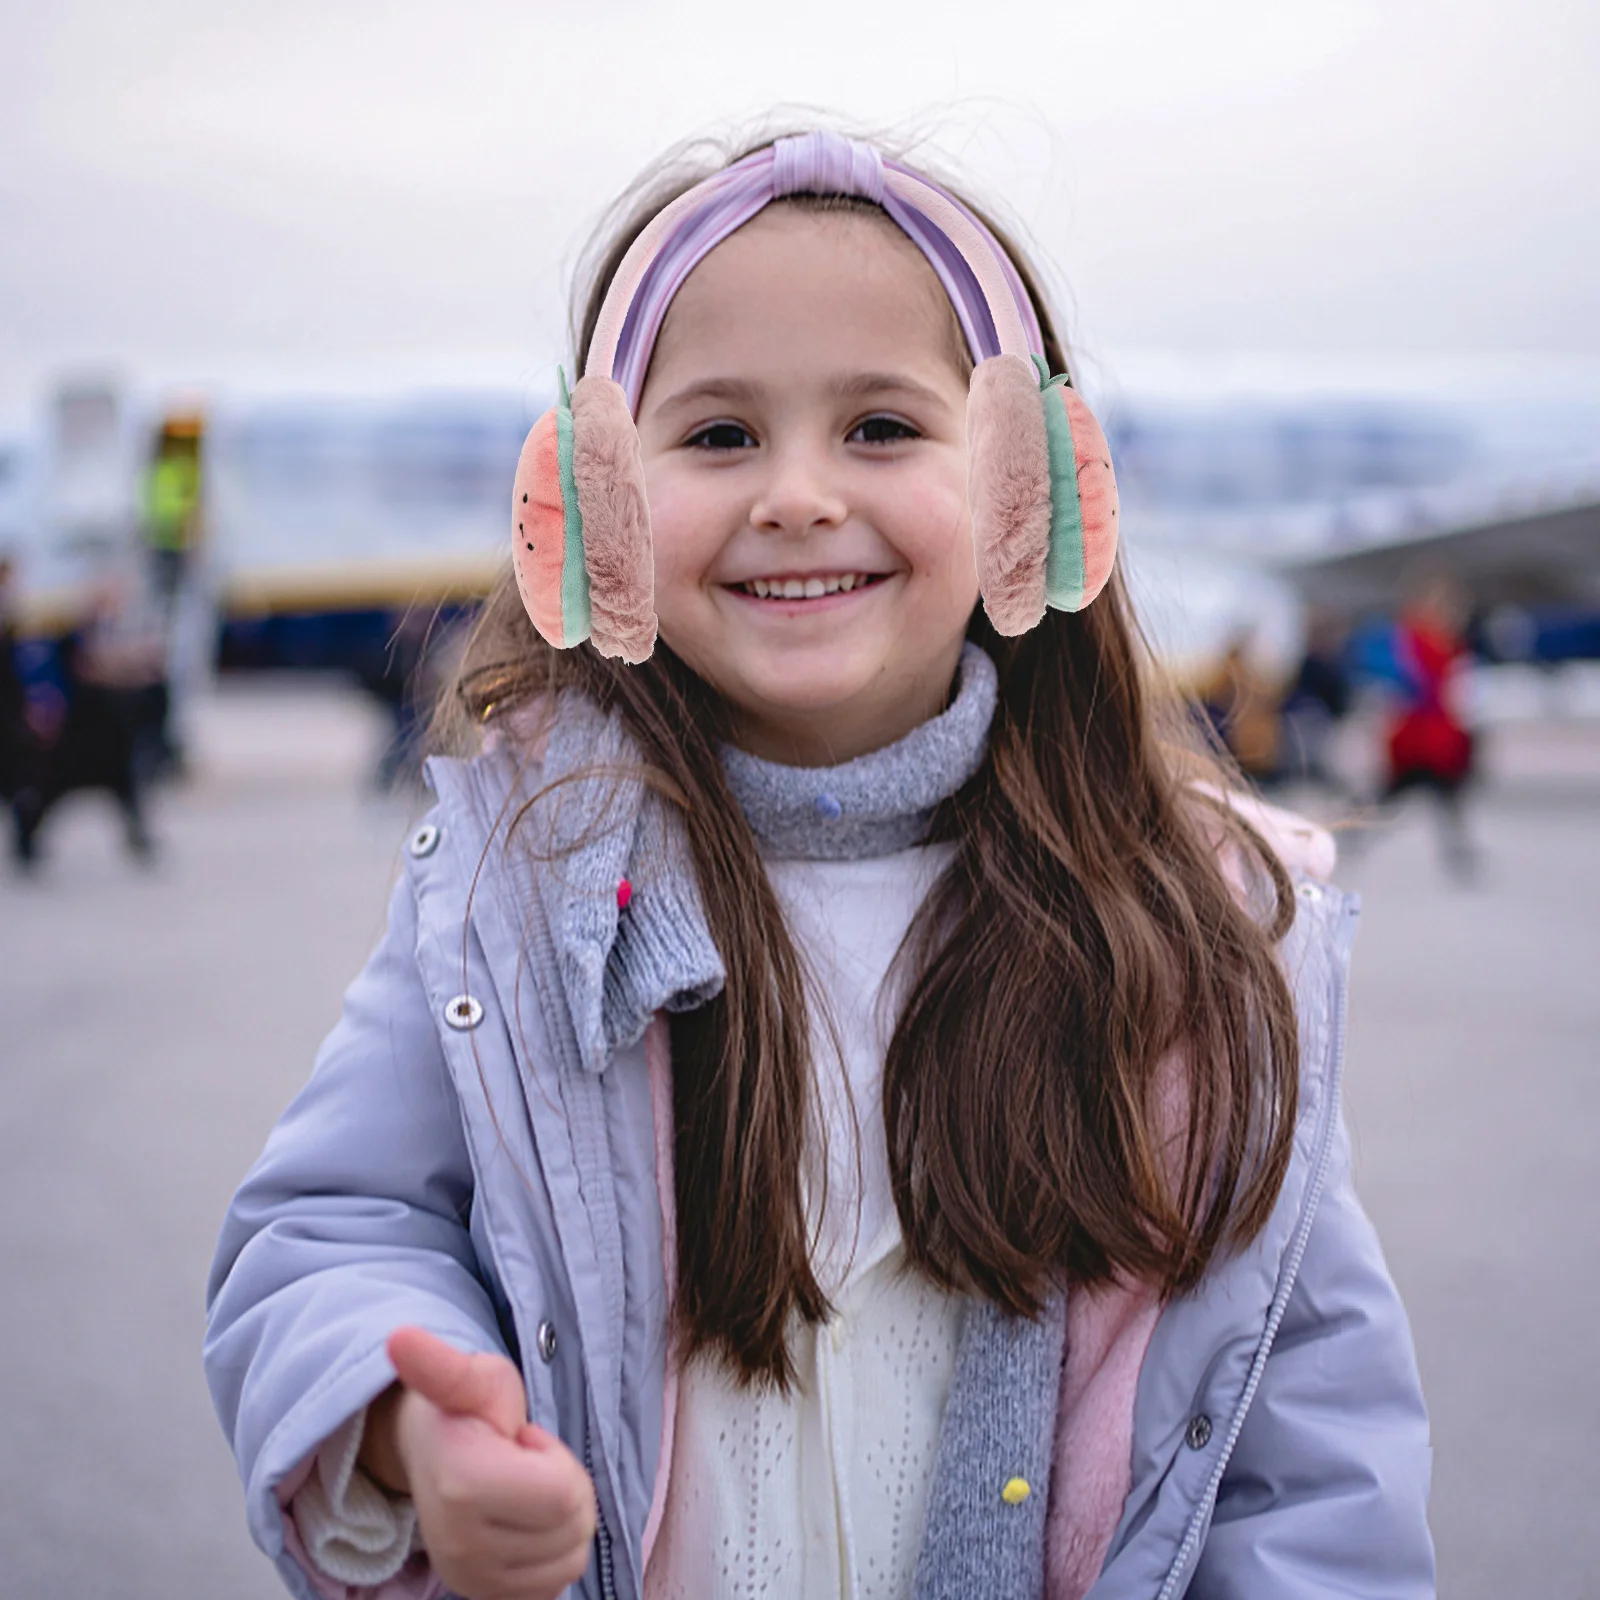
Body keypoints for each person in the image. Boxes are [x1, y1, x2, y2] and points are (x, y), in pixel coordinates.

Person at [205, 130, 1433, 1600]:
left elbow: (1307, 1433)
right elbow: (336, 1226)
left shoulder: (1200, 932)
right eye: (719, 436)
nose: (796, 493)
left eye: (881, 429)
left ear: (1031, 491)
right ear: (598, 502)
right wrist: (409, 1429)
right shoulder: (515, 894)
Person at [1379, 571, 1478, 879]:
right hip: (1422, 734)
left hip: (1435, 733)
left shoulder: (1442, 639)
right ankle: (1348, 832)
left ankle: (1459, 853)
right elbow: (1413, 682)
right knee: (1391, 795)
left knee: (1442, 796)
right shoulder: (1417, 638)